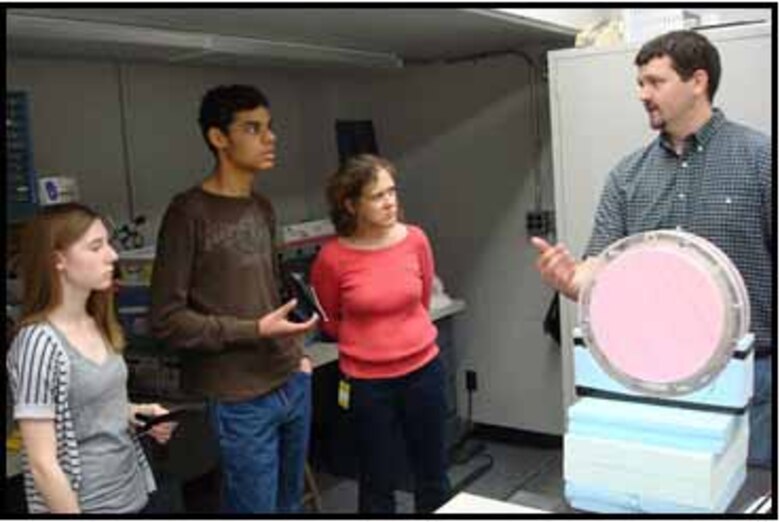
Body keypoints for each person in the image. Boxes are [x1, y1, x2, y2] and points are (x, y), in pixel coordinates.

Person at [531, 30, 772, 468]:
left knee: (748, 493)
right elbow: (597, 270)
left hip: (749, 375)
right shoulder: (627, 176)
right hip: (650, 376)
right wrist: (571, 281)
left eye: (655, 82)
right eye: (640, 83)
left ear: (697, 81)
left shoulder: (761, 160)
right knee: (666, 489)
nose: (642, 93)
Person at [149, 84, 318, 513]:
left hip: (290, 381)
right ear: (218, 138)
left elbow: (275, 289)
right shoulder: (187, 213)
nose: (270, 137)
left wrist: (296, 353)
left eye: (269, 127)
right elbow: (167, 319)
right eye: (253, 128)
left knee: (289, 507)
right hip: (239, 398)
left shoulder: (262, 207)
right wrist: (255, 330)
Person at [6, 203, 176, 514]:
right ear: (58, 260)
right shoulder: (37, 343)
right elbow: (42, 463)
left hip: (132, 495)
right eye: (96, 247)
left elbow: (88, 408)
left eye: (108, 244)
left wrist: (137, 412)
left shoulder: (97, 322)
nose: (112, 255)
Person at [310, 154, 451, 513]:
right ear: (350, 204)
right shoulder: (331, 258)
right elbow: (330, 320)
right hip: (367, 385)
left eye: (392, 191)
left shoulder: (415, 239)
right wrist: (372, 343)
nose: (390, 202)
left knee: (433, 475)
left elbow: (420, 301)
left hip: (424, 373)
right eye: (377, 196)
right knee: (376, 481)